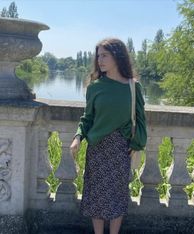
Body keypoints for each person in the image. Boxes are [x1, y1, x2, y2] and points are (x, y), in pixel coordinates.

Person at [70, 38, 147, 234]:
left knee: (117, 195)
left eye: (105, 55)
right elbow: (87, 118)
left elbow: (140, 118)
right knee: (96, 196)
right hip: (97, 148)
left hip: (121, 149)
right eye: (98, 56)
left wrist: (137, 143)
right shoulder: (95, 87)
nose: (100, 60)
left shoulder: (132, 87)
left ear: (117, 57)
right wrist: (78, 137)